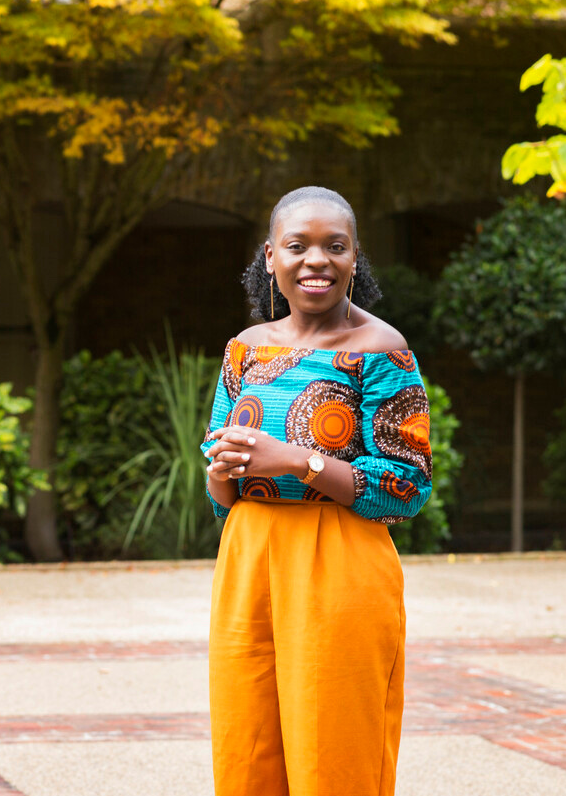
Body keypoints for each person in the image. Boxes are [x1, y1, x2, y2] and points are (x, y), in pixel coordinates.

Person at [201, 186, 432, 796]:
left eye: (335, 246)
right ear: (270, 256)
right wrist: (221, 469)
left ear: (355, 257)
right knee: (248, 745)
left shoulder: (382, 350)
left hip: (340, 564)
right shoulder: (245, 349)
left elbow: (406, 487)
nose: (316, 260)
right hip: (248, 560)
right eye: (298, 246)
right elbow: (221, 495)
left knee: (334, 750)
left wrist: (294, 460)